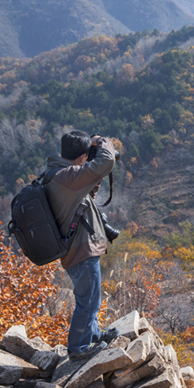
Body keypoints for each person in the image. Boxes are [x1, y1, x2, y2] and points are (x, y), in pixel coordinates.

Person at [45, 130, 119, 360]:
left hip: (77, 248)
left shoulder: (58, 172)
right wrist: (105, 143)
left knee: (91, 297)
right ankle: (79, 349)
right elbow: (107, 160)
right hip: (80, 250)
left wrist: (90, 149)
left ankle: (94, 334)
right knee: (88, 301)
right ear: (82, 157)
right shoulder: (67, 176)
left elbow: (87, 191)